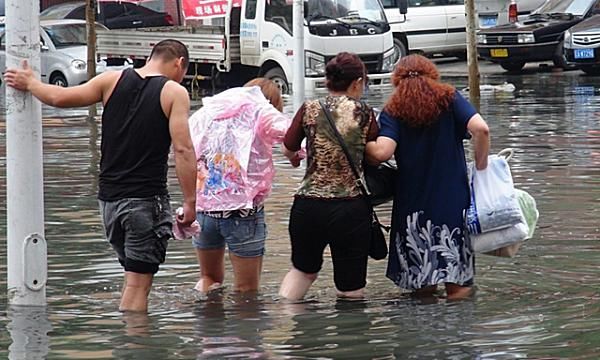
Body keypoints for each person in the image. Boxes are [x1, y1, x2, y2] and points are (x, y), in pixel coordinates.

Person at [4, 39, 197, 312]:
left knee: (131, 279)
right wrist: (190, 202)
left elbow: (60, 98)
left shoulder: (110, 80)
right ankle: (135, 348)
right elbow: (183, 149)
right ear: (179, 63)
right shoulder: (174, 92)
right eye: (184, 72)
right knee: (137, 287)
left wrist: (31, 83)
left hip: (109, 203)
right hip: (145, 201)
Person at [365, 54, 490, 300]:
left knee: (421, 286)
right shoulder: (450, 98)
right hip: (453, 202)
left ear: (396, 80)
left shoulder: (393, 109)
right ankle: (457, 332)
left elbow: (383, 152)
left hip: (413, 205)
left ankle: (423, 332)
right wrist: (482, 169)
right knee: (458, 284)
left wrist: (358, 144)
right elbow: (481, 129)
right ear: (431, 74)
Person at [279, 52, 378, 301]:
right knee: (350, 288)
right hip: (349, 209)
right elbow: (375, 155)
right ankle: (351, 335)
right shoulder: (365, 113)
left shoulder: (310, 108)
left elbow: (288, 147)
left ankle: (288, 324)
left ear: (328, 81)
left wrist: (294, 159)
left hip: (307, 206)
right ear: (357, 82)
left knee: (302, 271)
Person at [188, 78, 291, 293]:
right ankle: (245, 326)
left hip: (203, 211)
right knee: (246, 290)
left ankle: (205, 321)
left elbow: (183, 150)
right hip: (242, 214)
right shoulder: (262, 112)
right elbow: (293, 136)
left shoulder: (208, 112)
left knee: (208, 278)